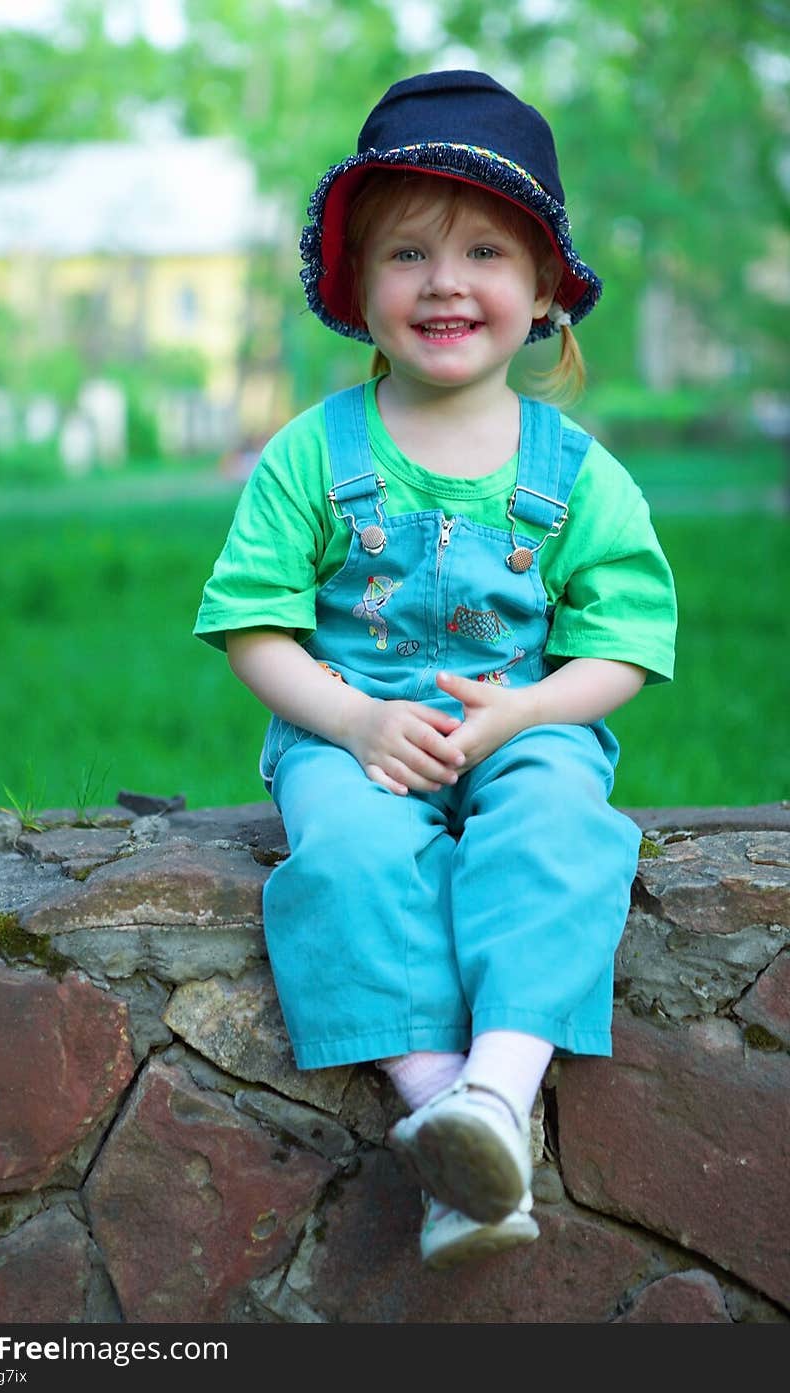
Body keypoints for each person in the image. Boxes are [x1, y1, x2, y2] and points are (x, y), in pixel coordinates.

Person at [194, 70, 677, 1269]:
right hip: (355, 732)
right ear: (358, 288)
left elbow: (623, 639)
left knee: (562, 827)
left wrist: (529, 710)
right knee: (346, 855)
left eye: (483, 252)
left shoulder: (578, 471)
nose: (445, 280)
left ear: (544, 292)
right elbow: (251, 620)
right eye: (406, 253)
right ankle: (442, 1108)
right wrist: (350, 722)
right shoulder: (313, 455)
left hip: (525, 724)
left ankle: (494, 1093)